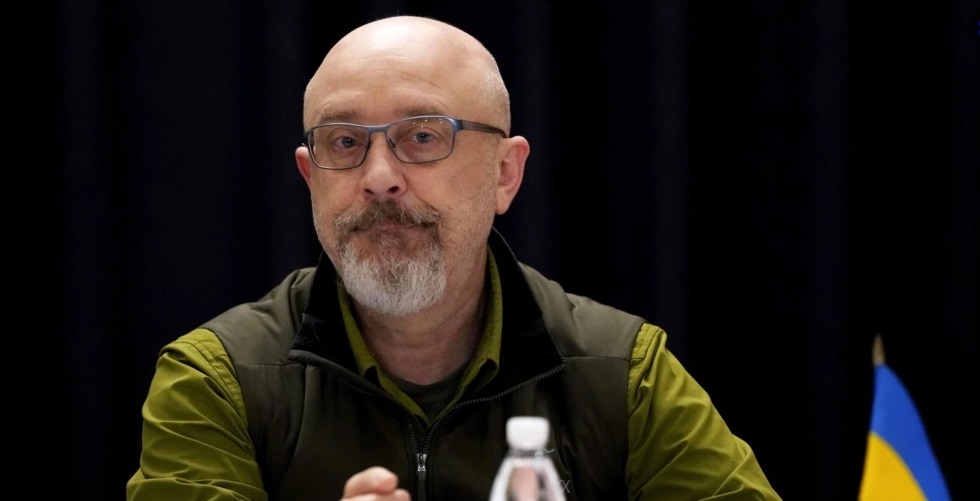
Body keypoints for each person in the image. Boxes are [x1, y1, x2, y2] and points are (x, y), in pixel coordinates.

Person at [126, 14, 782, 501]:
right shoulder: (219, 379)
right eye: (345, 142)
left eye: (421, 136)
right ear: (309, 177)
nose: (379, 177)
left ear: (504, 174)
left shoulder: (620, 372)